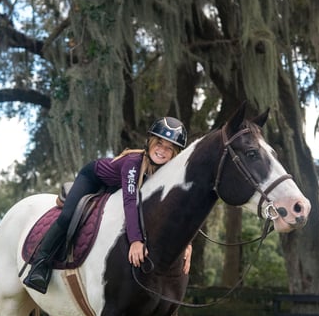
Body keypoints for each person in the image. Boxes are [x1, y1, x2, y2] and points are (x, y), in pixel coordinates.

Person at [23, 116, 193, 294]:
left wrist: (187, 244)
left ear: (174, 153)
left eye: (169, 148)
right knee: (67, 215)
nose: (162, 150)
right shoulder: (133, 163)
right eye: (159, 143)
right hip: (93, 178)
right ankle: (39, 264)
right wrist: (135, 240)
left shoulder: (168, 173)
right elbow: (130, 201)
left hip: (116, 186)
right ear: (150, 141)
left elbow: (178, 208)